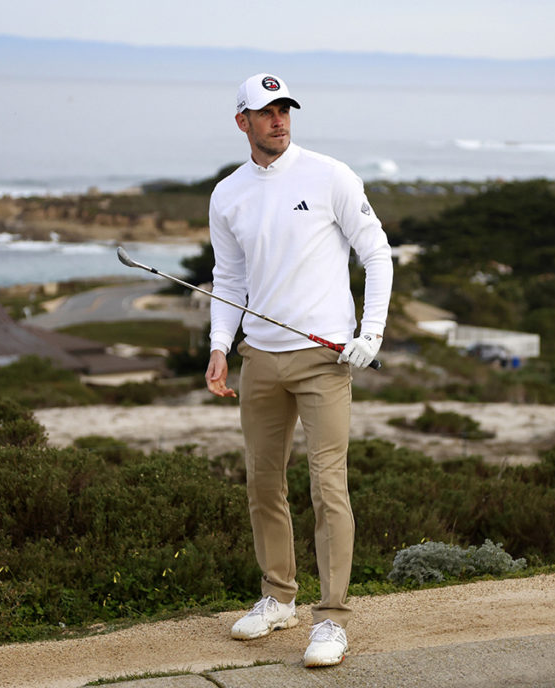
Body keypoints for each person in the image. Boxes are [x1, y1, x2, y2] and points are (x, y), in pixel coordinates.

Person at [205, 73, 393, 667]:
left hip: (324, 358)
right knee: (263, 481)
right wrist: (218, 345)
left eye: (284, 108)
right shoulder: (227, 195)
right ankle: (277, 596)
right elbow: (229, 278)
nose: (278, 120)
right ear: (243, 122)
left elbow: (377, 252)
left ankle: (332, 620)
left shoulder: (330, 175)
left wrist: (371, 334)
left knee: (327, 483)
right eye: (265, 112)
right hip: (258, 356)